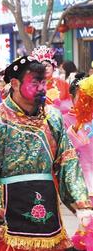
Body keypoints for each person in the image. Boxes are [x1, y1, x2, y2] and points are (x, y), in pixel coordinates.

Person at [0, 54, 93, 251]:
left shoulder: (52, 117)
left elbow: (67, 160)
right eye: (35, 82)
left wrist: (81, 203)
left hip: (47, 208)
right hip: (9, 208)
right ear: (15, 83)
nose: (42, 89)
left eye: (44, 82)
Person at [63, 72, 93, 201]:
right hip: (81, 175)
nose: (86, 102)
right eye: (82, 98)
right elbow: (65, 148)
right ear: (71, 97)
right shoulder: (64, 119)